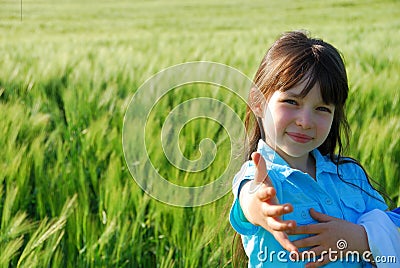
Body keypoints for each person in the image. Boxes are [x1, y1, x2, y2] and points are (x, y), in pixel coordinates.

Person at [229, 30, 400, 267]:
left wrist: (360, 239)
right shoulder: (262, 176)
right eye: (291, 102)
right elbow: (248, 199)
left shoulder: (350, 175)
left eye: (322, 109)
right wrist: (261, 208)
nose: (305, 121)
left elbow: (392, 231)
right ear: (258, 103)